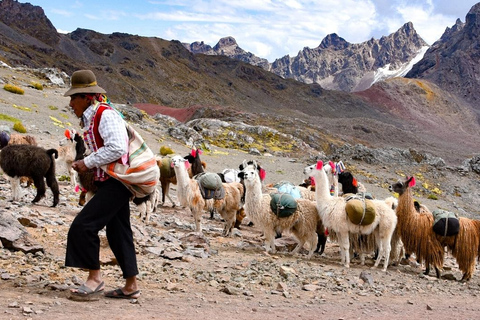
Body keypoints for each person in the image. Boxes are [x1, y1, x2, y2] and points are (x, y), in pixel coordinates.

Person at [64, 69, 140, 300]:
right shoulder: (94, 116)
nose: (70, 103)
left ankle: (94, 279)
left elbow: (117, 148)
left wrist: (87, 163)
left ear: (87, 96)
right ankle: (131, 286)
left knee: (83, 225)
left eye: (73, 97)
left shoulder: (105, 115)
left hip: (117, 182)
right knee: (119, 232)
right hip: (112, 181)